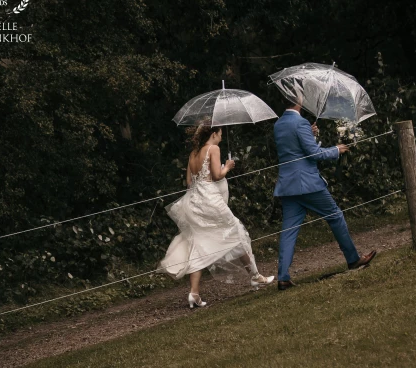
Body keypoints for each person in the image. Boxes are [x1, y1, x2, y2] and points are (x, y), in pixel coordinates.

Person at [158, 123, 274, 308]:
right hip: (210, 200)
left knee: (198, 243)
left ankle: (194, 293)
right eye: (220, 133)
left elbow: (189, 182)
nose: (221, 137)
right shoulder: (213, 148)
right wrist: (227, 166)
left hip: (193, 201)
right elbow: (218, 175)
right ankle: (255, 277)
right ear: (214, 133)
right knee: (235, 232)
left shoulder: (193, 153)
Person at [273, 96, 376, 290]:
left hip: (287, 186)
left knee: (288, 231)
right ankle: (353, 259)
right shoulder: (300, 122)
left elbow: (296, 150)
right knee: (335, 216)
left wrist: (309, 134)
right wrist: (336, 150)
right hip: (308, 185)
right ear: (298, 102)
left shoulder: (278, 124)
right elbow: (314, 154)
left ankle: (283, 277)